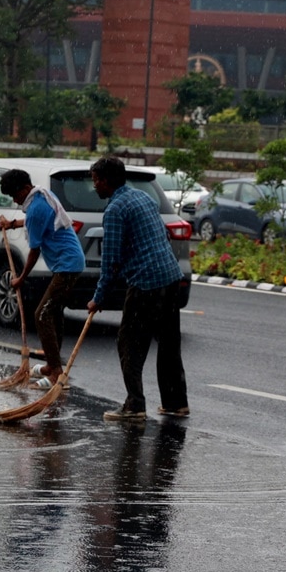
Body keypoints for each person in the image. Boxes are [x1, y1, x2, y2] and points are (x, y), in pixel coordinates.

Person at [86, 156, 188, 422]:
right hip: (170, 276)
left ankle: (135, 405)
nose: (94, 186)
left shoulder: (115, 210)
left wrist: (97, 298)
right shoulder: (144, 197)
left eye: (96, 180)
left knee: (129, 342)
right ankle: (175, 403)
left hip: (146, 282)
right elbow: (163, 235)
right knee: (168, 342)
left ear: (107, 181)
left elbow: (111, 261)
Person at [0, 169, 85, 390]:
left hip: (67, 265)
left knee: (41, 314)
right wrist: (12, 224)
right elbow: (33, 222)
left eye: (15, 195)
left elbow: (34, 251)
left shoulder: (36, 207)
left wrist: (21, 278)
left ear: (25, 188)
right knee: (53, 313)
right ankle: (52, 365)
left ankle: (56, 373)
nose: (15, 200)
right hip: (68, 263)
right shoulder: (42, 195)